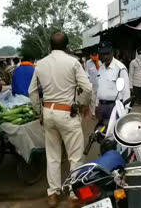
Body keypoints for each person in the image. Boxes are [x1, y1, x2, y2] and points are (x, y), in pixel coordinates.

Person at [28, 32, 92, 208]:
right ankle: (73, 195)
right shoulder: (73, 62)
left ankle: (53, 194)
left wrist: (39, 111)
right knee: (75, 156)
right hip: (67, 114)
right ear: (67, 46)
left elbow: (32, 91)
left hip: (48, 113)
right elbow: (87, 88)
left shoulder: (40, 64)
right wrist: (81, 105)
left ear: (50, 46)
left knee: (53, 155)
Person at [96, 41, 130, 122]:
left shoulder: (120, 68)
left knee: (114, 132)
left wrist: (125, 111)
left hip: (115, 106)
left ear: (112, 52)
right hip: (102, 106)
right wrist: (96, 105)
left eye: (107, 53)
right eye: (103, 54)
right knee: (102, 131)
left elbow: (126, 92)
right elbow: (98, 88)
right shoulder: (101, 68)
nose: (106, 57)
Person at [86, 48, 100, 116]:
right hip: (91, 83)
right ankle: (92, 113)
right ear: (91, 55)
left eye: (95, 54)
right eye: (93, 54)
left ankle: (97, 111)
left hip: (99, 84)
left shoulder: (99, 62)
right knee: (92, 98)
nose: (94, 55)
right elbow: (87, 73)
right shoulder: (88, 63)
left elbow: (101, 73)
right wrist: (88, 83)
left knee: (98, 98)